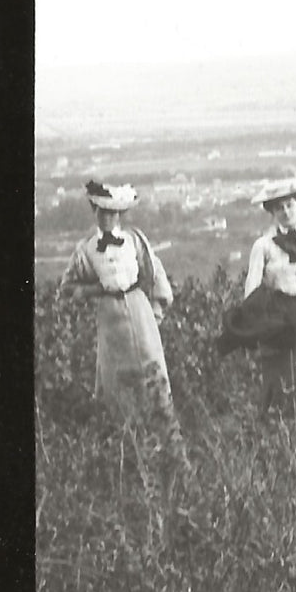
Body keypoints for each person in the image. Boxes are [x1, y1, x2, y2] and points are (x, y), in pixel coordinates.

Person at [217, 178, 296, 415]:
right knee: (281, 378)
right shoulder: (263, 246)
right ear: (272, 212)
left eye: (290, 205)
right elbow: (252, 289)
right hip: (279, 321)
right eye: (279, 207)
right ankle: (280, 435)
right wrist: (256, 327)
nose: (285, 211)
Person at [60, 180, 174, 422]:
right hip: (109, 317)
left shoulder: (135, 240)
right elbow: (68, 288)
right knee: (115, 379)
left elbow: (155, 274)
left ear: (120, 214)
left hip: (139, 311)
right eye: (102, 212)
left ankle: (161, 430)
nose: (107, 218)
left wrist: (154, 313)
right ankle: (122, 436)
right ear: (95, 212)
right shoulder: (86, 249)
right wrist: (94, 290)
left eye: (112, 212)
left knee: (152, 371)